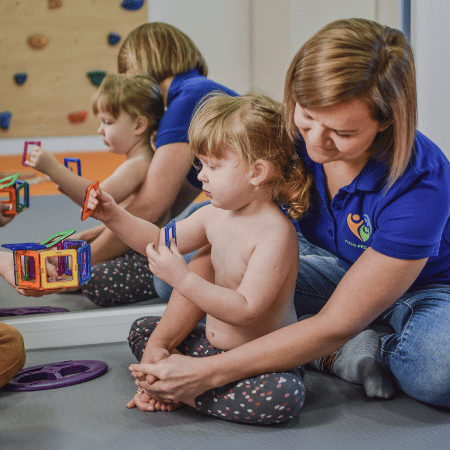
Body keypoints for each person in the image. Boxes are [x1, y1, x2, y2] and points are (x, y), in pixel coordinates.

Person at [128, 18, 450, 410]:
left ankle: (356, 345)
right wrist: (159, 345)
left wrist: (207, 374)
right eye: (308, 117)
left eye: (342, 133)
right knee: (187, 269)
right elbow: (215, 227)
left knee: (439, 371)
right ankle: (327, 343)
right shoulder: (287, 134)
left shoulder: (422, 182)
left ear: (386, 121)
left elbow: (335, 323)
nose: (315, 142)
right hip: (342, 264)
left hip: (429, 286)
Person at [86, 92, 312, 424]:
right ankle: (181, 382)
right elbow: (158, 240)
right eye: (201, 164)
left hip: (259, 364)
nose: (201, 175)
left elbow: (246, 309)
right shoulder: (212, 215)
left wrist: (182, 278)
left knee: (284, 396)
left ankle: (181, 390)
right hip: (210, 349)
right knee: (144, 331)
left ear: (257, 172)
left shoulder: (275, 234)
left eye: (213, 166)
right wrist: (114, 216)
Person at [73, 22, 238, 307]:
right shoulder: (199, 90)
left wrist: (79, 266)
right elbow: (171, 206)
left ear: (136, 65)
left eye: (126, 74)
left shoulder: (187, 100)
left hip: (268, 222)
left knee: (166, 270)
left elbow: (151, 207)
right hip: (254, 215)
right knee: (186, 224)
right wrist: (94, 235)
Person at [25, 73, 164, 214]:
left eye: (108, 122)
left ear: (138, 126)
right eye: (100, 122)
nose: (100, 130)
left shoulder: (138, 164)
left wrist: (54, 170)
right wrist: (68, 185)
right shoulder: (143, 158)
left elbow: (97, 200)